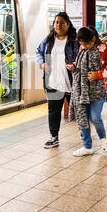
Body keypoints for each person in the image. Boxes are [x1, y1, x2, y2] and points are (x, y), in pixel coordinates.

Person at [36, 12, 79, 149]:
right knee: (53, 111)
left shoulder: (74, 40)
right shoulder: (48, 40)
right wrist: (41, 63)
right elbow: (38, 51)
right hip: (53, 82)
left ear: (68, 24)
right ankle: (54, 137)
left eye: (61, 22)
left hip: (72, 82)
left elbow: (82, 55)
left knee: (80, 111)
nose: (58, 25)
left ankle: (86, 138)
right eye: (56, 22)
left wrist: (75, 66)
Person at [69, 27, 107, 157]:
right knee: (83, 118)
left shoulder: (100, 50)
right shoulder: (83, 50)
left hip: (97, 91)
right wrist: (74, 67)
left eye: (86, 44)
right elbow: (81, 68)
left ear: (93, 39)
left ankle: (103, 139)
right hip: (82, 91)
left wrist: (97, 75)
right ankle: (87, 146)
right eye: (81, 44)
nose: (84, 46)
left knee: (95, 117)